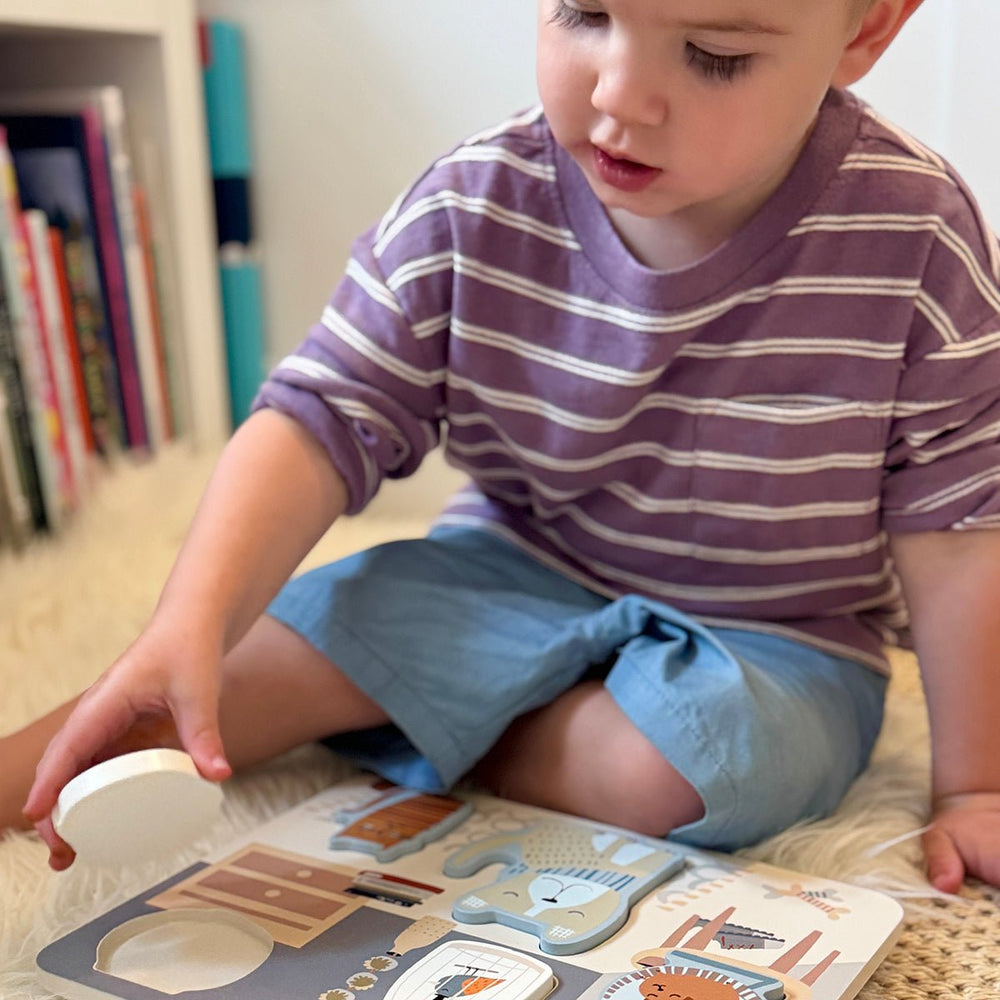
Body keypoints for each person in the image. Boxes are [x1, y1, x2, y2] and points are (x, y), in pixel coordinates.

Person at [3, 0, 998, 895]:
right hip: (506, 572)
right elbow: (318, 416)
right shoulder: (474, 199)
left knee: (694, 770)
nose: (617, 93)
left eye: (712, 54)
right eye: (582, 12)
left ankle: (423, 712)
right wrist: (186, 623)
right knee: (235, 664)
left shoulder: (918, 235)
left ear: (864, 29)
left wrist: (975, 784)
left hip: (777, 635)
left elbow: (959, 531)